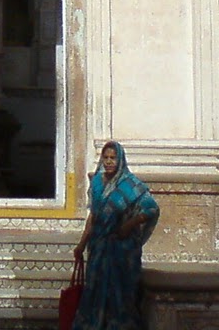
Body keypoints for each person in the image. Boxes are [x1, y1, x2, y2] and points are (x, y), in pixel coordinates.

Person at [73, 141, 160, 329]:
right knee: (94, 290)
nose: (109, 162)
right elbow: (94, 216)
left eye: (113, 158)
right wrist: (81, 245)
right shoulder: (97, 183)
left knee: (120, 294)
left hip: (121, 249)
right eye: (106, 158)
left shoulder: (130, 185)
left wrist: (129, 225)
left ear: (120, 160)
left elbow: (152, 209)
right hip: (99, 248)